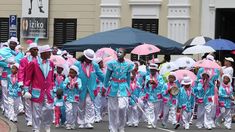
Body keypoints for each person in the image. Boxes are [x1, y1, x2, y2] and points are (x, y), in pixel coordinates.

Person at [24, 45, 54, 132]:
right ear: (43, 53)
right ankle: (36, 128)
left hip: (48, 91)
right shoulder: (33, 63)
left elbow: (51, 78)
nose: (50, 54)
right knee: (36, 111)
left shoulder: (51, 63)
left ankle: (47, 125)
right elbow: (28, 78)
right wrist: (26, 90)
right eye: (49, 52)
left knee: (49, 109)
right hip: (37, 91)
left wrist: (53, 87)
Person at [104, 48, 134, 132]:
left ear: (125, 54)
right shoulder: (111, 64)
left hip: (123, 88)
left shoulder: (128, 65)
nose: (119, 53)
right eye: (118, 52)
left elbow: (128, 78)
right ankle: (113, 128)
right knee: (112, 109)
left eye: (121, 52)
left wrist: (129, 89)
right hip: (113, 87)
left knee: (122, 107)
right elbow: (107, 77)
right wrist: (104, 87)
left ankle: (121, 126)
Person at [75, 49, 104, 129]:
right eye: (88, 59)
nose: (89, 60)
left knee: (89, 103)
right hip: (81, 87)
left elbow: (101, 75)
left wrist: (108, 80)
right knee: (81, 105)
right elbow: (72, 73)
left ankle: (89, 121)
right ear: (84, 57)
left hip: (91, 88)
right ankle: (81, 122)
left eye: (91, 59)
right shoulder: (77, 64)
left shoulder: (95, 65)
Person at [18, 42, 38, 126]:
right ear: (30, 50)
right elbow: (21, 71)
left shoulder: (40, 59)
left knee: (36, 102)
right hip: (27, 83)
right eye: (34, 49)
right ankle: (29, 119)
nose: (36, 51)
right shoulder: (24, 60)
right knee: (27, 102)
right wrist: (21, 82)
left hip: (36, 84)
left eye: (37, 49)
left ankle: (35, 118)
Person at [0, 37, 19, 119]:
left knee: (12, 95)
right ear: (9, 43)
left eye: (14, 43)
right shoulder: (3, 51)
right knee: (5, 94)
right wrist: (8, 65)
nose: (13, 45)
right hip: (5, 75)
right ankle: (7, 112)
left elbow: (19, 62)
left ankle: (12, 112)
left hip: (14, 76)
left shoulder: (17, 53)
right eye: (11, 43)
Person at [142, 63, 164, 129]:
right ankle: (150, 122)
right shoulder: (147, 77)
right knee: (150, 109)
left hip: (157, 96)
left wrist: (155, 83)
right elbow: (145, 86)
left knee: (156, 110)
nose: (152, 71)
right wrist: (147, 83)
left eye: (153, 70)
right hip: (150, 95)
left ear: (156, 70)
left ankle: (154, 122)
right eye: (151, 70)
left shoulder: (160, 77)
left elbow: (161, 86)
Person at [63, 65, 82, 130]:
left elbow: (80, 89)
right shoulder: (67, 79)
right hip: (68, 97)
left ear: (76, 73)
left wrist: (77, 86)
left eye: (72, 73)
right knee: (69, 110)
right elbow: (63, 87)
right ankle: (68, 123)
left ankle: (73, 123)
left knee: (74, 111)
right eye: (70, 72)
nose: (71, 74)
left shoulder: (78, 80)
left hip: (75, 98)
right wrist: (66, 85)